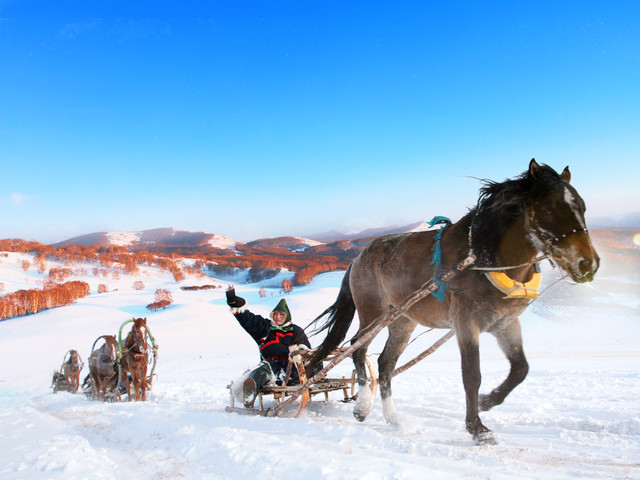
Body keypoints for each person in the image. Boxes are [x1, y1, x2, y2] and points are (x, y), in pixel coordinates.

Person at [226, 286, 312, 408]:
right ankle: (249, 394)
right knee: (260, 372)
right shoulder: (265, 327)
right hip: (271, 367)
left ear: (286, 316)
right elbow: (247, 319)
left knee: (313, 364)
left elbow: (306, 349)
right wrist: (234, 301)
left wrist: (300, 355)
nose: (278, 317)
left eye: (281, 314)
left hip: (292, 369)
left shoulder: (295, 330)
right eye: (275, 314)